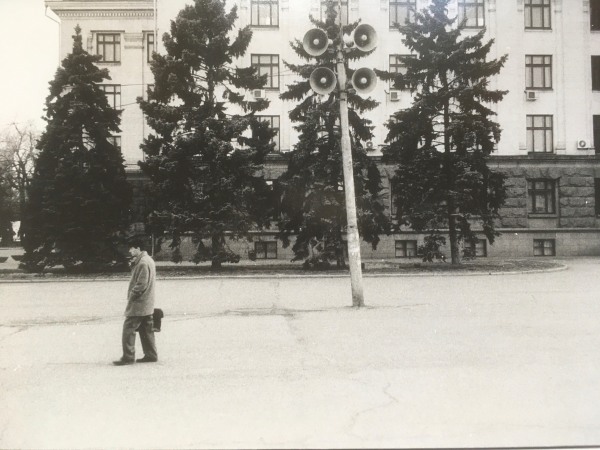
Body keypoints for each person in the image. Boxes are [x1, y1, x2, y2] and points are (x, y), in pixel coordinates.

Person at [113, 238, 158, 365]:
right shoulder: (148, 260)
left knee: (128, 329)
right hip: (147, 302)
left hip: (139, 303)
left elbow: (141, 284)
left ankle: (128, 357)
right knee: (146, 329)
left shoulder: (143, 263)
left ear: (138, 248)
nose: (130, 251)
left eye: (132, 248)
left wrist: (132, 296)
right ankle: (151, 355)